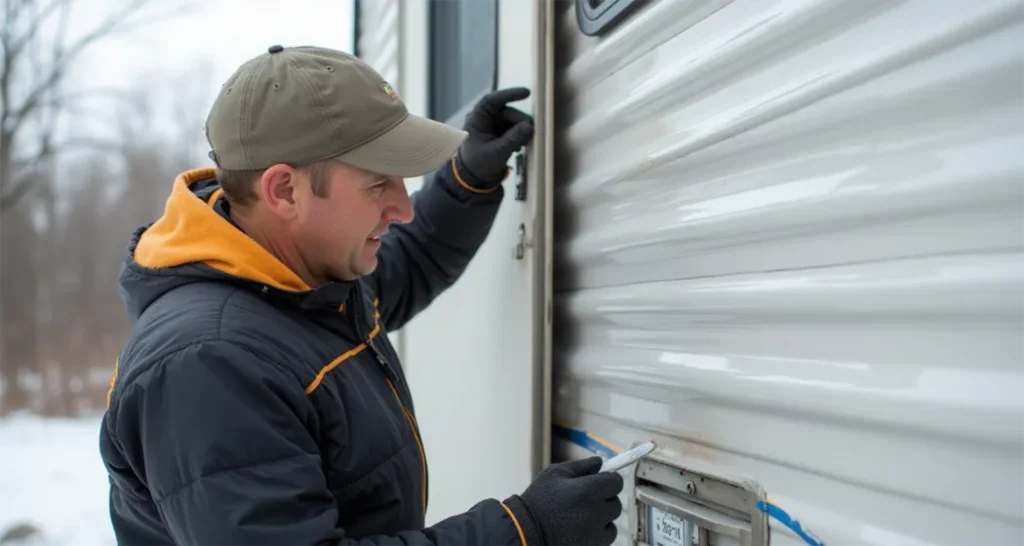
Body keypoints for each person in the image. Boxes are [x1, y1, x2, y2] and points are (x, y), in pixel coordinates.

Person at [98, 45, 624, 546]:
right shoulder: (209, 364)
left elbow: (406, 263)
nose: (403, 208)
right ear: (284, 191)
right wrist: (523, 531)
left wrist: (467, 180)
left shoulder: (299, 279)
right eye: (378, 185)